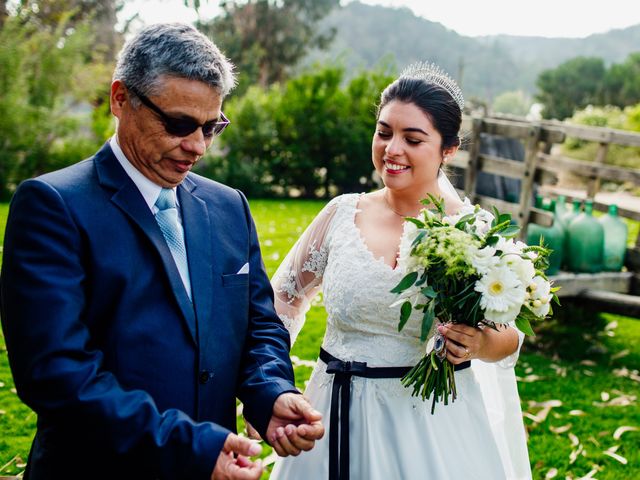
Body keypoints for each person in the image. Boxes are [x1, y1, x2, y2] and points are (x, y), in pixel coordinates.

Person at [0, 23, 324, 480]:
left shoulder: (229, 206)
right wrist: (188, 446)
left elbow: (259, 326)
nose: (198, 147)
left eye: (212, 127)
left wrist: (269, 392)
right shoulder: (52, 206)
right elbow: (56, 373)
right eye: (178, 125)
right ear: (120, 99)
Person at [268, 63, 532, 479]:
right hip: (333, 413)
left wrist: (477, 343)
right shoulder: (341, 214)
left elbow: (510, 337)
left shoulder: (476, 234)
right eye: (384, 132)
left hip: (430, 425)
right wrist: (273, 383)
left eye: (412, 138)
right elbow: (283, 296)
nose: (392, 149)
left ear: (449, 149)